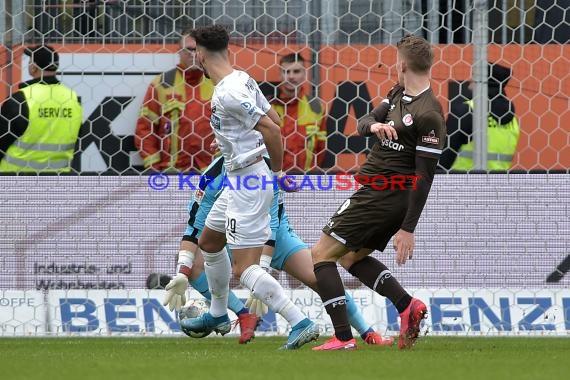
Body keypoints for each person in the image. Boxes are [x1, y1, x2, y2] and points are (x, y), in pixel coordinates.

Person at [162, 24, 319, 350]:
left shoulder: (228, 93)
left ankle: (298, 321)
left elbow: (272, 132)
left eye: (194, 54)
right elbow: (274, 120)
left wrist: (276, 174)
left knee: (243, 266)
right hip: (239, 178)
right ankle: (219, 314)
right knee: (209, 239)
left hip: (250, 181)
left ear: (201, 55)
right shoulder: (243, 78)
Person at [164, 155, 394, 346]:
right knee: (193, 264)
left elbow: (271, 227)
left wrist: (262, 270)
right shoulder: (213, 176)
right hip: (232, 232)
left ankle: (368, 333)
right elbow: (195, 224)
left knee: (319, 278)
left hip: (276, 237)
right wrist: (181, 272)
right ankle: (236, 313)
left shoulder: (265, 171)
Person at [310, 34, 446, 351]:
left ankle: (343, 337)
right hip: (379, 192)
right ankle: (406, 305)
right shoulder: (398, 93)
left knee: (320, 254)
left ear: (401, 64)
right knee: (349, 257)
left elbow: (425, 178)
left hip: (384, 195)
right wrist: (374, 127)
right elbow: (365, 122)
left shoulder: (429, 114)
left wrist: (408, 229)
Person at [134, 28, 214, 173]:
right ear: (179, 51)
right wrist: (154, 168)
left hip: (212, 172)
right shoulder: (162, 84)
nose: (193, 54)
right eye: (189, 49)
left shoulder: (218, 83)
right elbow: (145, 129)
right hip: (173, 172)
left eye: (197, 49)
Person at [0, 45, 83, 173]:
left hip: (16, 182)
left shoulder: (21, 99)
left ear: (33, 67)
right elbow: (78, 136)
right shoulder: (72, 99)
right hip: (59, 181)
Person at [438, 62, 520, 171]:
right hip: (499, 184)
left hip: (462, 184)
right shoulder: (513, 121)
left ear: (481, 83)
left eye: (473, 79)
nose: (470, 85)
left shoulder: (466, 111)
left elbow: (442, 160)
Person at [270, 53, 326, 173]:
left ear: (304, 73)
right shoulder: (267, 107)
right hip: (274, 178)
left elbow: (321, 146)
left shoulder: (316, 107)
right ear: (280, 74)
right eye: (286, 72)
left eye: (296, 71)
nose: (291, 76)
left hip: (306, 179)